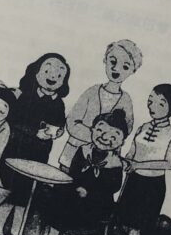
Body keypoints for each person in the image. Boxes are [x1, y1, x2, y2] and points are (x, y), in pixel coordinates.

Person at [112, 84, 171, 235]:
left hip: (152, 185)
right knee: (125, 222)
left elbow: (168, 163)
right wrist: (126, 161)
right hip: (134, 180)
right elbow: (132, 151)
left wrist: (138, 164)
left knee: (136, 226)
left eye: (161, 103)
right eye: (151, 101)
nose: (153, 106)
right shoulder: (143, 127)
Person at [0, 53, 70, 235]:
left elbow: (59, 124)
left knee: (25, 192)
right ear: (35, 72)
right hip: (15, 149)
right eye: (47, 70)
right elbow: (12, 120)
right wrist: (34, 131)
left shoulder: (58, 104)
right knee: (7, 189)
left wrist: (57, 132)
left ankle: (15, 230)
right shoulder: (24, 95)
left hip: (38, 154)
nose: (53, 76)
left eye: (60, 74)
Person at [35, 110, 128, 235]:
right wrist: (77, 186)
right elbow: (73, 171)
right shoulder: (83, 149)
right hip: (76, 189)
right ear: (92, 130)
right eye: (100, 130)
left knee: (81, 207)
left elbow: (113, 186)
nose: (105, 138)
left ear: (121, 142)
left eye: (113, 136)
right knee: (60, 195)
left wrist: (90, 191)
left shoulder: (115, 162)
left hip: (97, 199)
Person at [59, 40, 142, 170]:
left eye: (125, 67)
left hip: (105, 160)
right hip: (74, 152)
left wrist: (105, 142)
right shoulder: (92, 91)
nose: (116, 69)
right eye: (113, 62)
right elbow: (72, 121)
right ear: (105, 60)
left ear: (133, 71)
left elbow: (126, 130)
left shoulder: (126, 100)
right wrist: (95, 137)